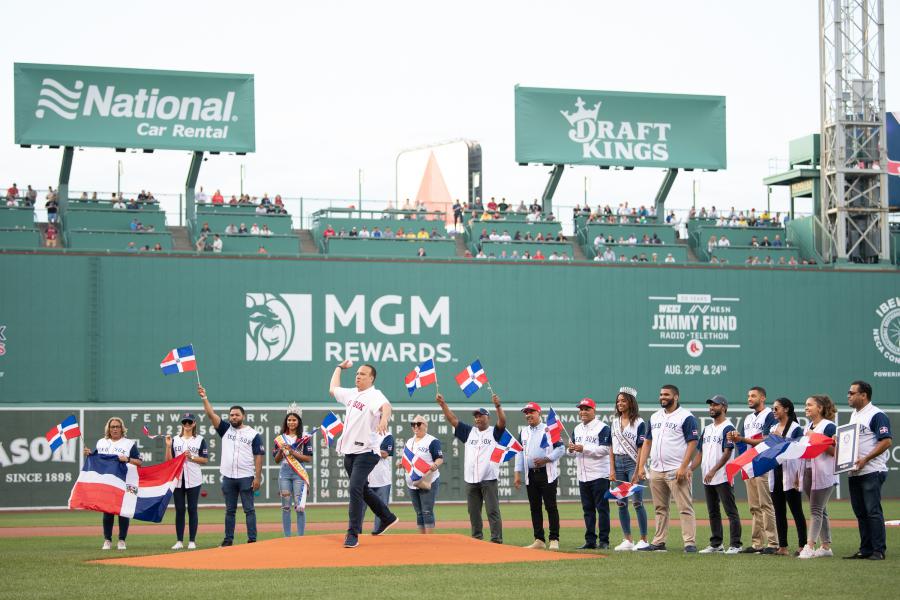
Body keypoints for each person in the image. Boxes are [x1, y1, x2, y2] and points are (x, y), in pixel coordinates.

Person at [329, 360, 399, 548]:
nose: (358, 376)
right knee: (363, 489)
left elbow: (386, 407)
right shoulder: (352, 394)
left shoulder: (374, 394)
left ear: (371, 378)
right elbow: (333, 389)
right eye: (357, 373)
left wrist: (384, 419)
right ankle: (387, 517)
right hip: (349, 451)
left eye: (362, 374)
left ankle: (352, 534)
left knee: (354, 488)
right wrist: (339, 368)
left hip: (367, 451)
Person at [635, 384, 699, 552]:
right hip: (656, 469)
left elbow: (693, 442)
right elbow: (647, 442)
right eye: (661, 394)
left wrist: (684, 467)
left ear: (676, 397)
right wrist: (642, 465)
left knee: (684, 507)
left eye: (666, 394)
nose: (662, 397)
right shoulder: (655, 417)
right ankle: (659, 541)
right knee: (660, 508)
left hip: (676, 469)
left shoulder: (686, 416)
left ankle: (689, 543)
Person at [198, 384, 264, 547]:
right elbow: (210, 414)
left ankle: (252, 540)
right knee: (230, 510)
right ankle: (228, 540)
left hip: (246, 476)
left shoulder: (253, 434)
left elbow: (258, 457)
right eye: (231, 415)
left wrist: (257, 477)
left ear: (243, 416)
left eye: (236, 415)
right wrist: (204, 397)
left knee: (249, 509)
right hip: (228, 477)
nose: (233, 417)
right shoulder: (225, 429)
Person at [437, 392, 506, 543]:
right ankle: (477, 538)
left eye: (481, 415)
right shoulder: (470, 432)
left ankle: (496, 539)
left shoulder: (494, 432)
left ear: (488, 417)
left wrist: (498, 406)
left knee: (492, 511)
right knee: (473, 512)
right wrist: (443, 405)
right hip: (471, 479)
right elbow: (453, 420)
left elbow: (503, 422)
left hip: (488, 478)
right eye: (476, 416)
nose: (478, 418)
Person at [845, 380, 892, 561]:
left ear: (863, 395)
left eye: (852, 393)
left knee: (872, 511)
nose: (848, 396)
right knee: (860, 512)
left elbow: (886, 441)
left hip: (872, 470)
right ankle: (865, 549)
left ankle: (878, 550)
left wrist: (866, 459)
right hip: (855, 471)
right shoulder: (854, 415)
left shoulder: (877, 414)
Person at [728, 386, 778, 554]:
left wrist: (742, 438)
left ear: (762, 398)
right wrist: (737, 441)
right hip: (750, 464)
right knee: (754, 507)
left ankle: (772, 543)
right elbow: (742, 443)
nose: (749, 398)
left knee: (765, 504)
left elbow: (768, 440)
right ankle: (757, 544)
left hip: (763, 463)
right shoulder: (748, 418)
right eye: (748, 396)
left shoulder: (770, 415)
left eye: (753, 396)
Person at [691, 395, 741, 554]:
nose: (712, 408)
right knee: (713, 511)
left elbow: (727, 453)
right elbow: (700, 452)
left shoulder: (728, 428)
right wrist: (690, 469)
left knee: (730, 511)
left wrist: (713, 470)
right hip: (708, 477)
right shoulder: (707, 428)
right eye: (710, 405)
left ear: (724, 408)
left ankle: (735, 544)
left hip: (723, 476)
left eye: (715, 405)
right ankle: (716, 544)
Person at [83, 417, 142, 550]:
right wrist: (89, 454)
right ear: (108, 429)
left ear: (122, 429)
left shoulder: (128, 443)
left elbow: (139, 462)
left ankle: (122, 540)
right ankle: (107, 540)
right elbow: (97, 460)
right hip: (108, 482)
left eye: (117, 426)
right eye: (112, 427)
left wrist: (126, 459)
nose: (115, 429)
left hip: (124, 481)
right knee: (108, 511)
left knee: (123, 511)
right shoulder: (101, 443)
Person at [515, 402, 565, 550]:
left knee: (551, 507)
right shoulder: (523, 432)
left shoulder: (549, 429)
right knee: (534, 508)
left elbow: (561, 449)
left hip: (547, 473)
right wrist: (517, 473)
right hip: (531, 474)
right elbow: (519, 453)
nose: (528, 415)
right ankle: (539, 539)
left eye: (531, 412)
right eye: (526, 412)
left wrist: (546, 459)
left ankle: (554, 539)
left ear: (539, 413)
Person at [568, 398, 612, 550]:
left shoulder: (603, 428)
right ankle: (590, 540)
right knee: (587, 509)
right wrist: (571, 450)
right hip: (583, 476)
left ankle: (604, 540)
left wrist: (583, 448)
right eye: (581, 409)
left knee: (602, 509)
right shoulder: (577, 428)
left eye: (587, 409)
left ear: (594, 410)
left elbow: (606, 449)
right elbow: (573, 451)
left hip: (600, 474)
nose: (583, 412)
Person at [610, 386, 649, 550]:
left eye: (623, 400)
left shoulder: (639, 423)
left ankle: (643, 539)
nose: (620, 403)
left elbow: (641, 447)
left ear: (631, 402)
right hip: (617, 463)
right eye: (618, 401)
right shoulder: (614, 422)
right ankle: (627, 539)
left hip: (633, 463)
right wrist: (611, 469)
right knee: (621, 503)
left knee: (637, 502)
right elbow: (610, 447)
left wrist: (639, 469)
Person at [799, 394, 837, 559]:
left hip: (823, 473)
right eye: (806, 405)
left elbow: (834, 451)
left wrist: (815, 439)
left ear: (820, 408)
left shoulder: (828, 426)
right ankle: (826, 547)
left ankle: (809, 546)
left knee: (815, 510)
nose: (806, 407)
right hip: (808, 471)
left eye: (810, 405)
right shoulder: (808, 427)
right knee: (821, 510)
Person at [768, 397, 807, 556]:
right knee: (779, 511)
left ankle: (803, 545)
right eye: (773, 409)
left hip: (791, 473)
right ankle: (782, 546)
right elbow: (769, 450)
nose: (774, 412)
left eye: (776, 408)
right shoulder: (773, 428)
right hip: (775, 472)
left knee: (796, 510)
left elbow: (799, 451)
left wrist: (799, 476)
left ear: (786, 409)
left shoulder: (797, 428)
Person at [164, 413, 209, 550]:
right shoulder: (175, 440)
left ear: (194, 423)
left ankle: (192, 541)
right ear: (182, 424)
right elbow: (169, 461)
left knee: (192, 509)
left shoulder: (200, 439)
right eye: (185, 422)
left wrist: (192, 457)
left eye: (190, 422)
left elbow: (205, 460)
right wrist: (168, 446)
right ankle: (179, 541)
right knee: (179, 509)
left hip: (194, 478)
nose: (187, 425)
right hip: (178, 479)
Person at [273, 404, 313, 537]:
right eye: (289, 420)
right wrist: (281, 450)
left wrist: (292, 452)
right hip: (284, 473)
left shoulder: (304, 438)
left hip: (298, 473)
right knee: (285, 506)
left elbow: (307, 458)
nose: (291, 422)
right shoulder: (280, 439)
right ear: (286, 421)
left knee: (299, 507)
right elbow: (277, 460)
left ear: (299, 421)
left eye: (294, 420)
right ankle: (287, 537)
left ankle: (300, 537)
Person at [404, 415, 444, 533]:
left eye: (419, 424)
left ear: (425, 426)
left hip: (428, 480)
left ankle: (429, 540)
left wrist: (435, 465)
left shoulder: (432, 441)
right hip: (412, 481)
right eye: (413, 424)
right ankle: (422, 540)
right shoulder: (410, 441)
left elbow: (440, 458)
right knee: (419, 512)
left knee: (427, 510)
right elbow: (407, 459)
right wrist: (402, 464)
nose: (416, 427)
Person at [365, 430, 395, 534]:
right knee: (358, 511)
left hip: (382, 481)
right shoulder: (364, 431)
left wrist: (367, 448)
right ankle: (356, 534)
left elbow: (385, 453)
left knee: (381, 511)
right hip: (365, 478)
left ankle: (377, 537)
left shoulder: (387, 435)